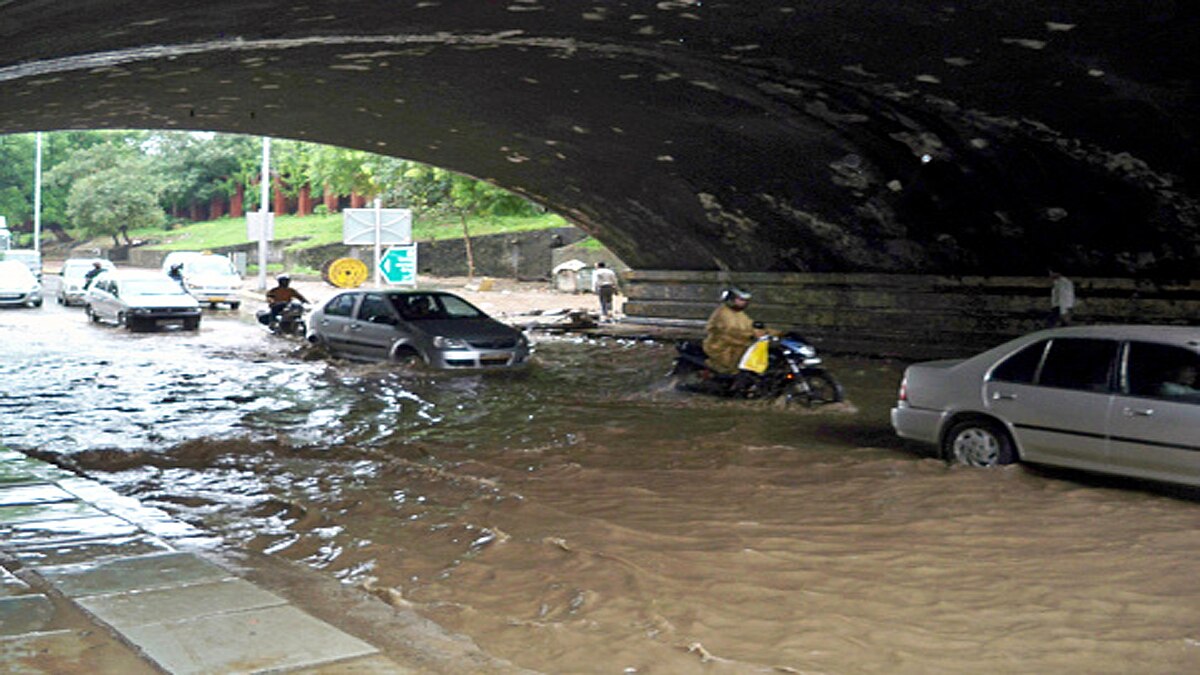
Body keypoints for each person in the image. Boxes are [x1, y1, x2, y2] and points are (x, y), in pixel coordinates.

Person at [702, 287, 758, 374]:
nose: (744, 303)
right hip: (720, 347)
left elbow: (751, 326)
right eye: (741, 300)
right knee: (729, 368)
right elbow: (731, 330)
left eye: (746, 300)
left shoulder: (739, 314)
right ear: (731, 299)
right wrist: (750, 335)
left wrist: (777, 333)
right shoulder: (723, 313)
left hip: (735, 345)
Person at [732, 322, 773, 394]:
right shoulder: (756, 341)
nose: (757, 333)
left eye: (759, 331)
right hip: (748, 367)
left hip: (754, 368)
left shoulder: (765, 341)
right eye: (755, 331)